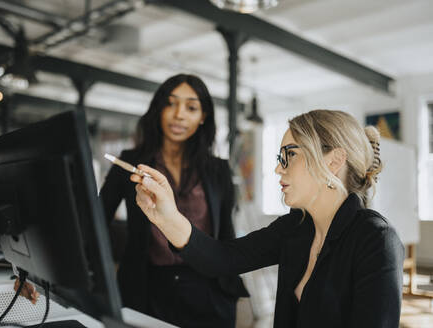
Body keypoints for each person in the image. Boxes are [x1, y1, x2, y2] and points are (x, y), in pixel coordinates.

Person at [131, 109, 405, 328]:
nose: (277, 168)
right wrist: (166, 217)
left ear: (334, 161)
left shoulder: (376, 240)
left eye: (289, 155)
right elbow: (223, 258)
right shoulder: (296, 227)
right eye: (279, 157)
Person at [99, 74, 248, 327]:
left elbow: (226, 234)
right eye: (171, 103)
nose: (179, 114)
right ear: (158, 109)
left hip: (209, 291)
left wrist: (230, 291)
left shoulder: (218, 170)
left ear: (203, 117)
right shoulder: (130, 161)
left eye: (191, 107)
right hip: (146, 289)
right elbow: (95, 219)